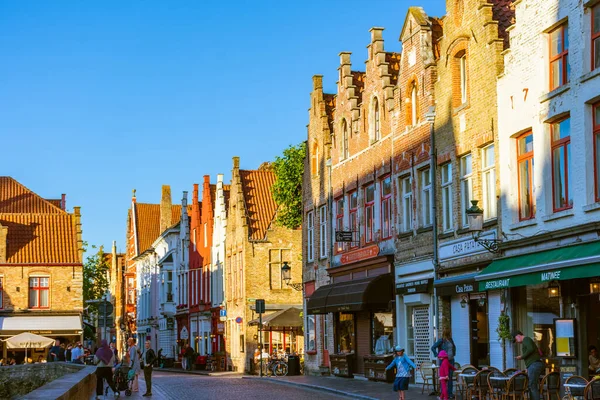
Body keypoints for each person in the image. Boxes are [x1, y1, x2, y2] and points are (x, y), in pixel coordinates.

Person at [513, 330, 544, 400]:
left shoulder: (526, 339)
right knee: (532, 385)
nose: (517, 342)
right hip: (533, 365)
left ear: (518, 336)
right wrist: (528, 367)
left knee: (532, 385)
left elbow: (530, 349)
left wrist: (522, 356)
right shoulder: (526, 341)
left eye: (516, 339)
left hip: (534, 364)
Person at [431, 327, 457, 399]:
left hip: (451, 360)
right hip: (444, 361)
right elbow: (433, 347)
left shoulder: (451, 340)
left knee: (450, 377)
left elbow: (453, 348)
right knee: (444, 378)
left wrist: (454, 354)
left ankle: (449, 394)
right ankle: (444, 394)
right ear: (448, 333)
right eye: (450, 332)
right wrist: (437, 355)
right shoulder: (441, 340)